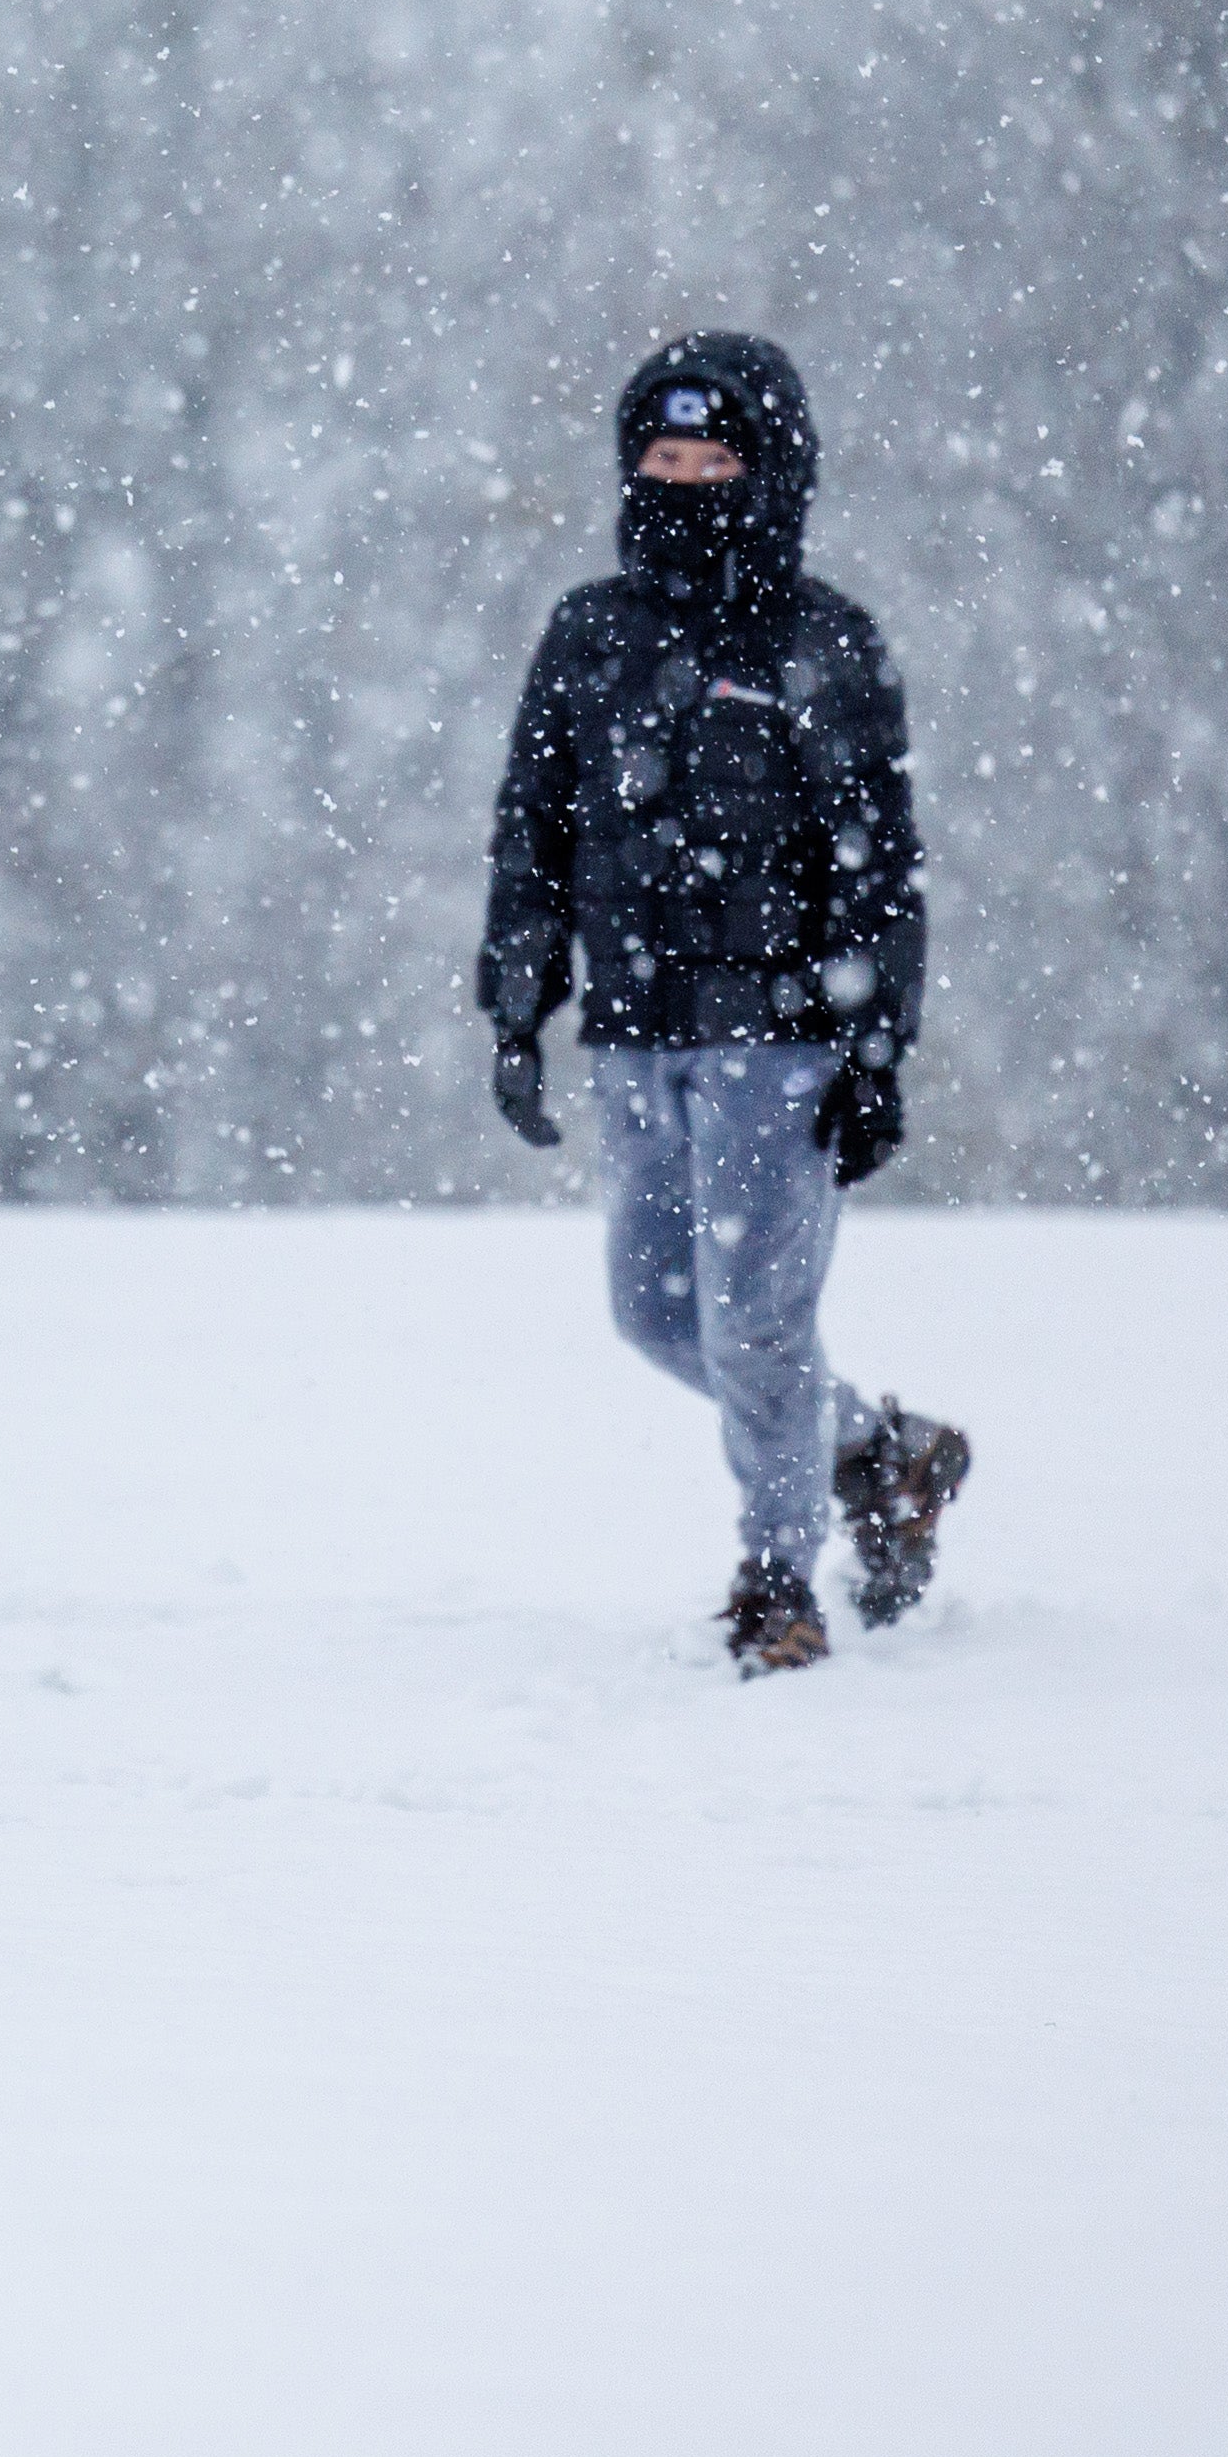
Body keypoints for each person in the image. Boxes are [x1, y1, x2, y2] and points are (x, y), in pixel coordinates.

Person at [482, 334, 975, 1674]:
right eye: (663, 457)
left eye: (716, 460)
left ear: (772, 473)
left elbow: (880, 865)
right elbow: (533, 828)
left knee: (758, 1321)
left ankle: (777, 1580)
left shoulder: (826, 642)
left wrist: (875, 1051)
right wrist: (517, 1007)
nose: (687, 483)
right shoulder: (590, 635)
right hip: (636, 1035)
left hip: (784, 1043)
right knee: (658, 1315)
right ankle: (880, 1449)